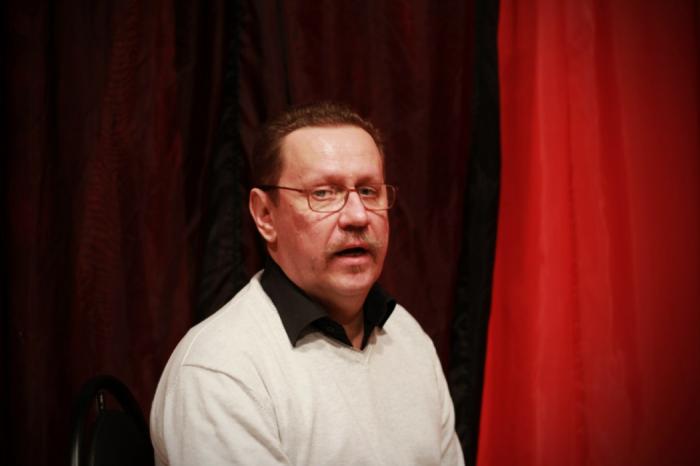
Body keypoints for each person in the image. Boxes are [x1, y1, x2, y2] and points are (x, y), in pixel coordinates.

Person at [150, 101, 464, 465]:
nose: (357, 216)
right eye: (323, 193)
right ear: (265, 216)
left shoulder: (408, 337)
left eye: (368, 191)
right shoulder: (221, 369)